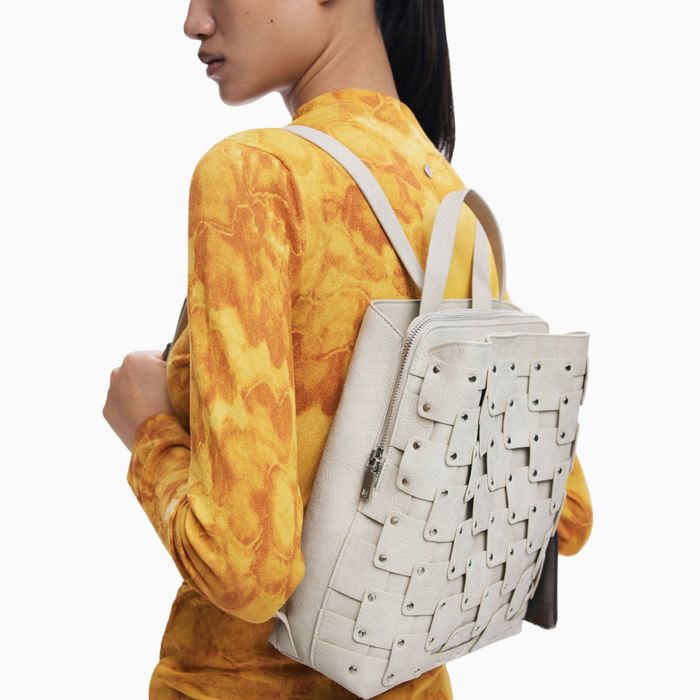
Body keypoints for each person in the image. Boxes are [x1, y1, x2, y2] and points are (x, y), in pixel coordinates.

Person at [103, 1, 593, 697]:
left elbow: (250, 571)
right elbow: (564, 517)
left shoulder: (256, 177)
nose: (194, 20)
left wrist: (150, 431)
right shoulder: (449, 202)